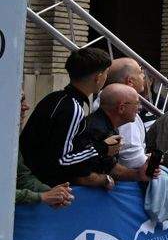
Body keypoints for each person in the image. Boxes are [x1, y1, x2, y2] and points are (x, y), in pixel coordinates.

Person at [18, 46, 112, 188]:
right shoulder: (73, 108)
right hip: (38, 183)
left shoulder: (55, 97)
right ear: (98, 78)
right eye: (106, 73)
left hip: (29, 174)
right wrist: (102, 148)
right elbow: (61, 160)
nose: (106, 78)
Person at [76, 83, 160, 184]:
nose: (140, 108)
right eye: (136, 103)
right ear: (121, 108)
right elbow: (78, 174)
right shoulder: (96, 130)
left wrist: (138, 174)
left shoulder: (110, 126)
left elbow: (110, 167)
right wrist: (103, 180)